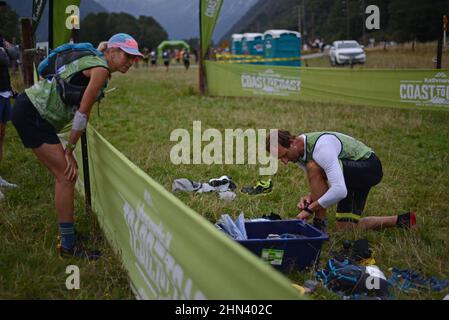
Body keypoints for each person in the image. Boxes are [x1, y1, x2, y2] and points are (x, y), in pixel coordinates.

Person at [11, 33, 143, 259]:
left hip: (31, 109)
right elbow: (83, 112)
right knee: (66, 175)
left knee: (65, 176)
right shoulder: (100, 70)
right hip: (33, 114)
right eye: (127, 56)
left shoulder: (94, 61)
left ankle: (69, 238)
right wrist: (69, 150)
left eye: (134, 58)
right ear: (111, 51)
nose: (131, 62)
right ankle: (69, 246)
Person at [267, 130, 416, 232]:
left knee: (313, 166)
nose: (285, 162)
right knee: (345, 228)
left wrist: (309, 209)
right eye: (280, 159)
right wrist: (310, 198)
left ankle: (320, 223)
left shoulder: (320, 148)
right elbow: (318, 181)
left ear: (292, 142)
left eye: (284, 155)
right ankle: (403, 220)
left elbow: (339, 190)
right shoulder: (299, 154)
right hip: (351, 174)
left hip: (369, 167)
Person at [0, 34, 19, 199]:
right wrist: (5, 52)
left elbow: (14, 54)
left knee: (1, 136)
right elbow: (5, 59)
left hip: (4, 91)